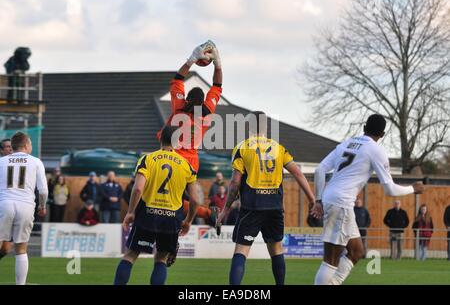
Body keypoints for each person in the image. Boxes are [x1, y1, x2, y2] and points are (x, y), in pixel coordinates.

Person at [313, 114, 424, 285]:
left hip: (331, 199)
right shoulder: (376, 150)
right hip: (341, 203)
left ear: (364, 128)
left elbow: (320, 169)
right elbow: (390, 189)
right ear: (383, 134)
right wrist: (413, 189)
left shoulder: (346, 143)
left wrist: (319, 200)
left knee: (357, 251)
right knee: (331, 259)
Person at [216, 111, 322, 285]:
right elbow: (298, 173)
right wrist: (312, 200)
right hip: (274, 207)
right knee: (276, 250)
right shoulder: (278, 148)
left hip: (252, 206)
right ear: (266, 127)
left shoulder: (242, 147)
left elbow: (235, 183)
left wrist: (225, 209)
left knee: (241, 250)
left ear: (249, 126)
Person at [113, 125, 199, 285]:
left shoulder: (148, 159)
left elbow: (138, 189)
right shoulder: (187, 165)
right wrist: (188, 220)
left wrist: (130, 212)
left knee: (130, 255)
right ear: (177, 141)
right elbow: (195, 200)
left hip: (147, 215)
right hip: (171, 218)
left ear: (160, 139)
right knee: (161, 259)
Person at [157, 40, 222, 173]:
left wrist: (191, 60)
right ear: (204, 101)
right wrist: (218, 64)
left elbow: (178, 80)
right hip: (192, 161)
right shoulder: (207, 112)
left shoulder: (179, 108)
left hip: (172, 157)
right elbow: (217, 86)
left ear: (187, 99)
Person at [0, 132, 48, 284]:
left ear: (12, 146)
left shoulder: (2, 161)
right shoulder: (36, 162)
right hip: (26, 205)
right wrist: (42, 206)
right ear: (27, 145)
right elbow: (43, 190)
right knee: (21, 249)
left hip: (5, 203)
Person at [0, 138, 13, 261]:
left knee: (6, 249)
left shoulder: (21, 164)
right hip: (1, 206)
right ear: (1, 150)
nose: (10, 149)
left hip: (14, 208)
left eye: (11, 146)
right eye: (7, 147)